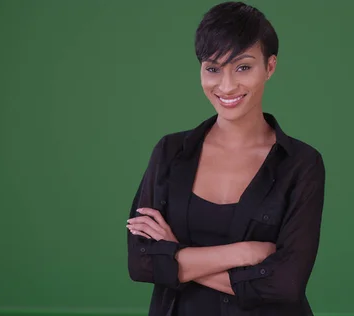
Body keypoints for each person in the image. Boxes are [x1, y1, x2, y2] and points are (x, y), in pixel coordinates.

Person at [126, 2, 326, 315]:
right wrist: (245, 252)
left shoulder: (301, 163)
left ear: (269, 67)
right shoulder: (169, 152)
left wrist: (176, 255)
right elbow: (142, 263)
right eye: (213, 68)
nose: (227, 85)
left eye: (243, 67)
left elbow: (286, 284)